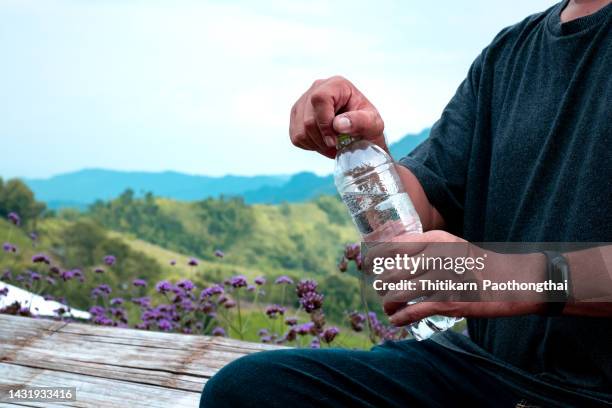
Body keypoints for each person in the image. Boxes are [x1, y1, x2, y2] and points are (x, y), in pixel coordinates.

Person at [201, 1, 612, 406]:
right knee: (252, 390)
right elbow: (426, 206)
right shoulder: (509, 55)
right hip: (489, 374)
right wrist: (362, 150)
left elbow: (500, 278)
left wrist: (511, 277)